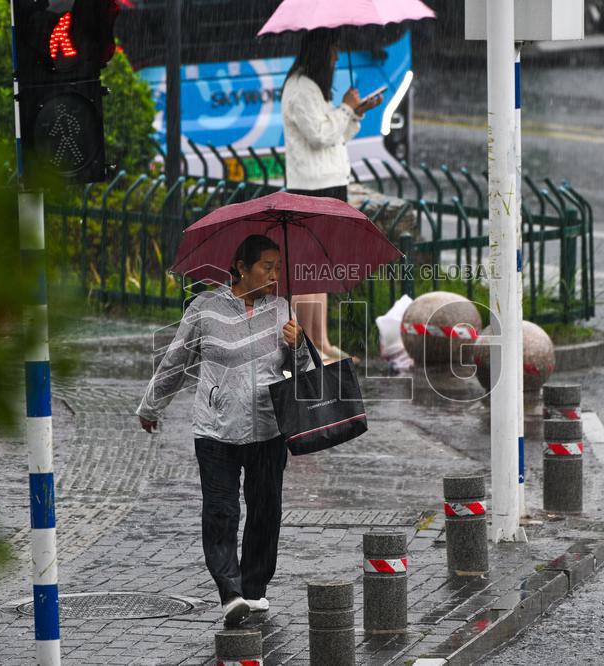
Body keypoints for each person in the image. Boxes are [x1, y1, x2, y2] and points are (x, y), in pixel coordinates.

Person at [136, 234, 312, 626]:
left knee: (266, 512)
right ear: (240, 268)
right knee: (221, 512)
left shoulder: (282, 308)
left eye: (277, 267)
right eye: (267, 267)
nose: (274, 274)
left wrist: (298, 346)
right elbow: (175, 361)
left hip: (268, 429)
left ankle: (254, 589)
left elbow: (302, 374)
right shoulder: (205, 308)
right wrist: (151, 405)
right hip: (215, 430)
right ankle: (230, 591)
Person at [281, 28, 383, 365]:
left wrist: (355, 112)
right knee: (309, 268)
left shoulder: (313, 88)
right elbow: (320, 134)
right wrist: (345, 109)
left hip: (328, 182)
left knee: (320, 267)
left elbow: (336, 134)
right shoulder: (300, 88)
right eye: (333, 49)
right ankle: (308, 345)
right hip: (312, 186)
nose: (337, 57)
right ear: (320, 51)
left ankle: (321, 341)